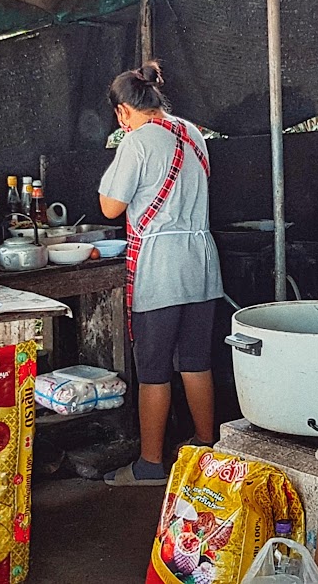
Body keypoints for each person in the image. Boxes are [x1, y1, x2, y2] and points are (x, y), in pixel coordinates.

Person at [98, 61, 224, 487]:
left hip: (160, 266)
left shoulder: (135, 143)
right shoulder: (193, 135)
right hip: (202, 262)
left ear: (123, 111)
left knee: (153, 368)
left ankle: (151, 465)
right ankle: (206, 447)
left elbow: (111, 207)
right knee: (195, 361)